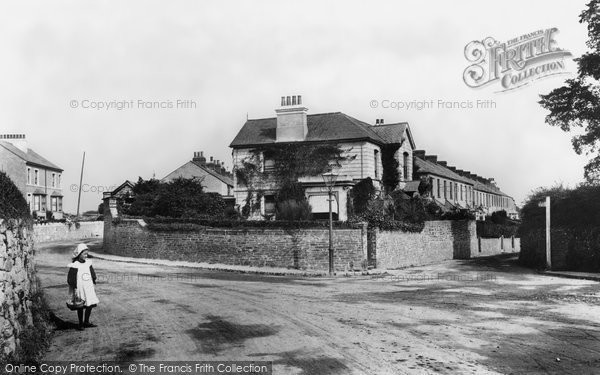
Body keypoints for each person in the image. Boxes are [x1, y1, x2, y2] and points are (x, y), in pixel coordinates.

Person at [67, 243, 99, 330]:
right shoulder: (75, 265)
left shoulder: (88, 263)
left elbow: (92, 273)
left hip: (88, 287)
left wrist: (93, 279)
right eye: (84, 254)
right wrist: (74, 286)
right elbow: (71, 278)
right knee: (80, 306)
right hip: (80, 288)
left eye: (86, 254)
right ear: (79, 254)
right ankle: (80, 323)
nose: (86, 256)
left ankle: (86, 321)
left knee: (90, 304)